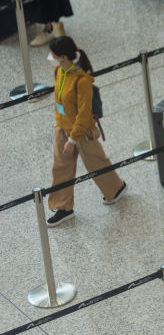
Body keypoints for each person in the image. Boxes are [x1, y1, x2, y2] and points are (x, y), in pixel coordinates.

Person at [45, 35, 127, 227]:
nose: (51, 57)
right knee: (60, 167)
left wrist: (72, 139)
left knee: (96, 163)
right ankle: (63, 207)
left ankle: (115, 189)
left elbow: (83, 115)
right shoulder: (59, 71)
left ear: (64, 57)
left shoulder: (82, 81)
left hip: (81, 132)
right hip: (62, 127)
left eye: (53, 54)